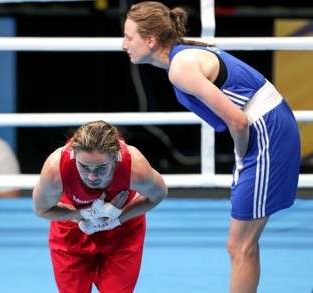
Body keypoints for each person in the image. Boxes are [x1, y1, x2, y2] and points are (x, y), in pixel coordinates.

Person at [122, 2, 300, 293]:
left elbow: (239, 122)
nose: (123, 44)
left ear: (151, 40)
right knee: (242, 244)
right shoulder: (183, 55)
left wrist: (243, 157)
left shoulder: (180, 68)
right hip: (268, 126)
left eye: (129, 37)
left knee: (239, 245)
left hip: (265, 131)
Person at [32, 120, 168, 293]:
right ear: (74, 155)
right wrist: (82, 215)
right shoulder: (56, 169)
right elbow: (41, 209)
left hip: (123, 233)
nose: (92, 176)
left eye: (101, 167)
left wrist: (117, 219)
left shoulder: (136, 167)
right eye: (83, 166)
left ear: (116, 157)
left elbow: (158, 194)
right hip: (71, 232)